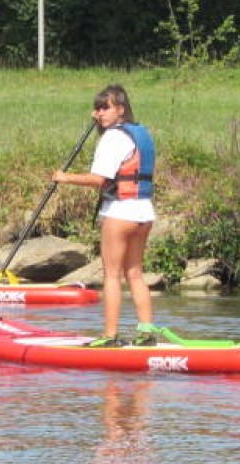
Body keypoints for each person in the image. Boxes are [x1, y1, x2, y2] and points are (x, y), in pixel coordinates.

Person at [51, 84, 164, 347]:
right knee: (135, 273)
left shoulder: (112, 138)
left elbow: (98, 179)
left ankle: (109, 336)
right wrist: (101, 124)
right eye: (97, 108)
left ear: (121, 110)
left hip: (120, 212)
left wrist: (64, 177)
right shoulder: (141, 133)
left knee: (112, 275)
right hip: (144, 212)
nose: (100, 112)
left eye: (106, 108)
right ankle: (146, 333)